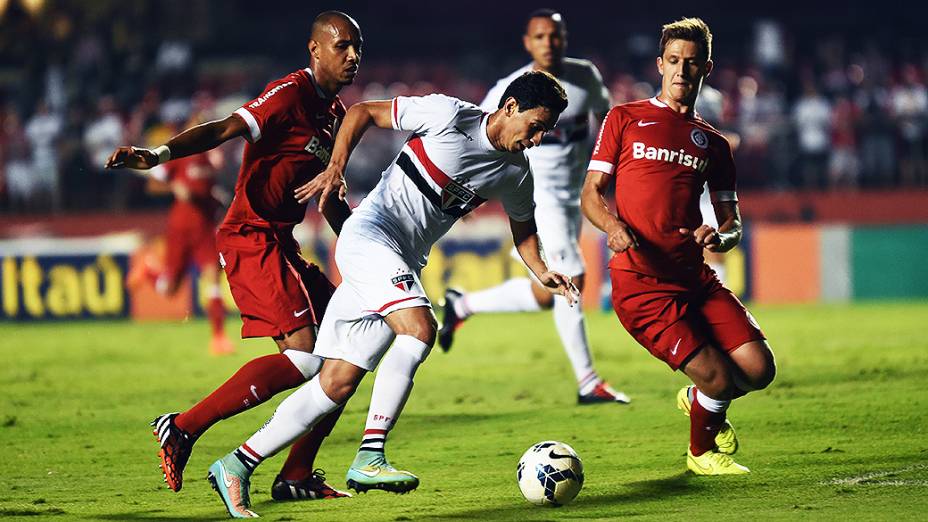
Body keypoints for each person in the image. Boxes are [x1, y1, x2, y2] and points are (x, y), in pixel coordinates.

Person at [204, 71, 574, 518]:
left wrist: (542, 271)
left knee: (335, 382)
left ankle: (235, 463)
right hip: (370, 237)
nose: (536, 139)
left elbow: (524, 230)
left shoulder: (516, 174)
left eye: (545, 132)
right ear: (510, 107)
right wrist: (336, 165)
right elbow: (361, 112)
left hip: (400, 259)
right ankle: (369, 456)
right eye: (535, 126)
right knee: (419, 329)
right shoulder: (448, 115)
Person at [105, 10, 362, 503]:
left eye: (358, 47)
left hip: (280, 241)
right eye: (342, 46)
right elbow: (225, 128)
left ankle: (296, 474)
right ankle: (182, 427)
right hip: (252, 236)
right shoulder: (290, 94)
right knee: (309, 357)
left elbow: (327, 196)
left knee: (351, 348)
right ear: (315, 50)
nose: (353, 56)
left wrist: (363, 244)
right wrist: (155, 157)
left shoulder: (335, 116)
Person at [580, 18, 776, 475]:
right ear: (659, 65)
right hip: (642, 284)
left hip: (695, 278)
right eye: (672, 61)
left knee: (759, 369)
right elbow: (591, 194)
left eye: (690, 63)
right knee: (719, 378)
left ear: (706, 68)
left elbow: (732, 222)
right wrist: (611, 226)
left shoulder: (713, 143)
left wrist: (721, 235)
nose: (681, 71)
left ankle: (699, 402)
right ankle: (701, 452)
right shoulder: (624, 118)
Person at [438, 9, 629, 405]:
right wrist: (468, 185)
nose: (548, 43)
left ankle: (464, 304)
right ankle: (587, 382)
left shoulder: (585, 76)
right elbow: (481, 128)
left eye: (554, 35)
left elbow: (606, 120)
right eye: (540, 37)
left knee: (547, 294)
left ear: (564, 37)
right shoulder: (513, 89)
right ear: (528, 43)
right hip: (537, 197)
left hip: (574, 196)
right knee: (571, 274)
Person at [122, 130, 235, 356]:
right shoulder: (179, 156)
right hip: (180, 229)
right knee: (170, 289)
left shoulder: (213, 158)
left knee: (212, 279)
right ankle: (148, 272)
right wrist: (174, 187)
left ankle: (219, 338)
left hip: (204, 231)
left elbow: (212, 191)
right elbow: (152, 185)